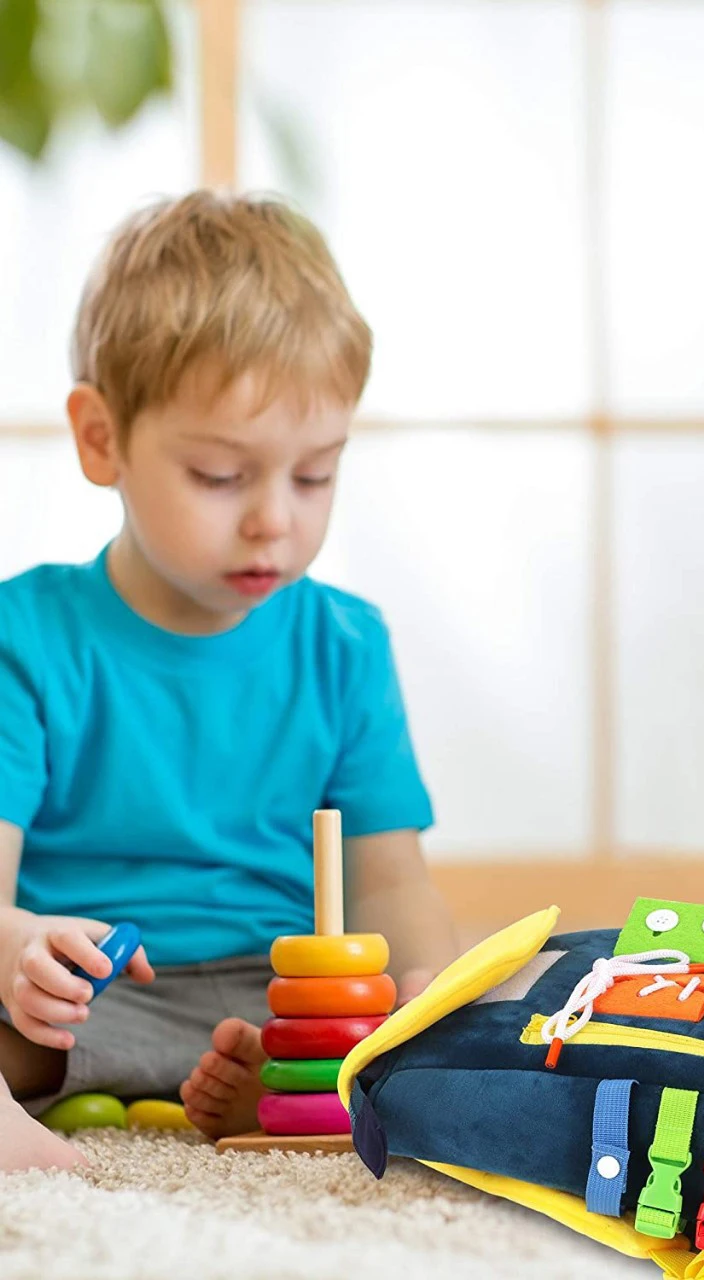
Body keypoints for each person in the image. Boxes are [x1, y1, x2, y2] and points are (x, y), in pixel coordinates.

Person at [0, 191, 456, 1171]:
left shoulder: (345, 642)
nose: (273, 522)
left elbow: (390, 878)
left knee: (455, 1030)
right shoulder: (26, 635)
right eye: (219, 475)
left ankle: (271, 1087)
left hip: (284, 991)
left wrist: (422, 981)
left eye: (314, 475)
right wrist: (17, 943)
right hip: (83, 999)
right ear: (101, 438)